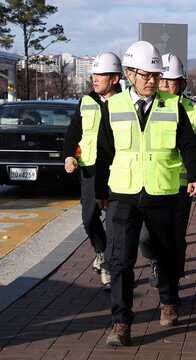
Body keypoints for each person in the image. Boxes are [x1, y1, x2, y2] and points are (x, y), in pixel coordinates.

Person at [95, 41, 196, 346]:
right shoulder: (113, 107)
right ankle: (121, 322)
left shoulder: (173, 106)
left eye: (156, 75)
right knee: (121, 260)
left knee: (167, 254)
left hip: (162, 191)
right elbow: (103, 152)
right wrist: (99, 191)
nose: (152, 81)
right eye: (146, 75)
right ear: (130, 74)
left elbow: (188, 145)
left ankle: (168, 301)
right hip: (124, 194)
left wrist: (195, 175)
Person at [139, 53, 196, 288]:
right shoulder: (148, 106)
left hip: (182, 185)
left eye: (171, 81)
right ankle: (154, 260)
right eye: (162, 80)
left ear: (183, 83)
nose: (165, 85)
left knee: (176, 236)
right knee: (146, 236)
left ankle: (173, 278)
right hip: (152, 181)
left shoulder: (194, 110)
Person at [63, 52, 122, 291]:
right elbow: (73, 131)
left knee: (118, 222)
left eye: (100, 75)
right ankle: (100, 251)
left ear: (114, 79)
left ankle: (109, 264)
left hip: (118, 170)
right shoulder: (86, 101)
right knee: (89, 218)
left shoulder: (126, 103)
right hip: (90, 169)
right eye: (93, 74)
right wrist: (69, 155)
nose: (94, 79)